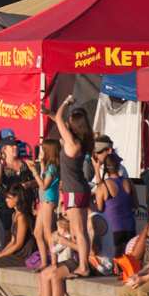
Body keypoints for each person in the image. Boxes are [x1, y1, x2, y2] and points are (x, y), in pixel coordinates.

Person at [51, 94, 93, 277]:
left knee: (79, 231)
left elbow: (60, 119)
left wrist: (66, 102)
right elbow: (60, 121)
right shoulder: (81, 142)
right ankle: (84, 263)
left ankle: (84, 266)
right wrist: (49, 114)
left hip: (74, 190)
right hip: (80, 188)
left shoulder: (72, 143)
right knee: (80, 230)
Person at [0, 185, 34, 293]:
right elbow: (12, 241)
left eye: (9, 198)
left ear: (17, 198)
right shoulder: (14, 214)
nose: (6, 200)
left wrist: (0, 256)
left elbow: (18, 244)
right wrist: (0, 253)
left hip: (22, 255)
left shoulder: (22, 217)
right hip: (16, 252)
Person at [94, 152, 137, 256]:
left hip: (113, 230)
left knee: (115, 265)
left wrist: (96, 169)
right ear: (118, 166)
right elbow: (136, 205)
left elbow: (99, 209)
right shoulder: (129, 182)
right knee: (128, 264)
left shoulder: (103, 186)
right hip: (130, 228)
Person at [0, 133, 35, 230]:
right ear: (4, 149)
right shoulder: (0, 166)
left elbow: (37, 181)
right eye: (12, 145)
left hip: (25, 201)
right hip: (8, 202)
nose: (15, 147)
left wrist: (29, 184)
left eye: (16, 145)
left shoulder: (25, 163)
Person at [30, 139, 60, 269]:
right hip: (44, 201)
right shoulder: (48, 166)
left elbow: (43, 185)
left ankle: (53, 261)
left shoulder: (52, 167)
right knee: (37, 232)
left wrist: (34, 171)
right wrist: (41, 164)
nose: (40, 152)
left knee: (48, 231)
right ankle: (44, 261)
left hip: (49, 201)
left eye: (42, 149)